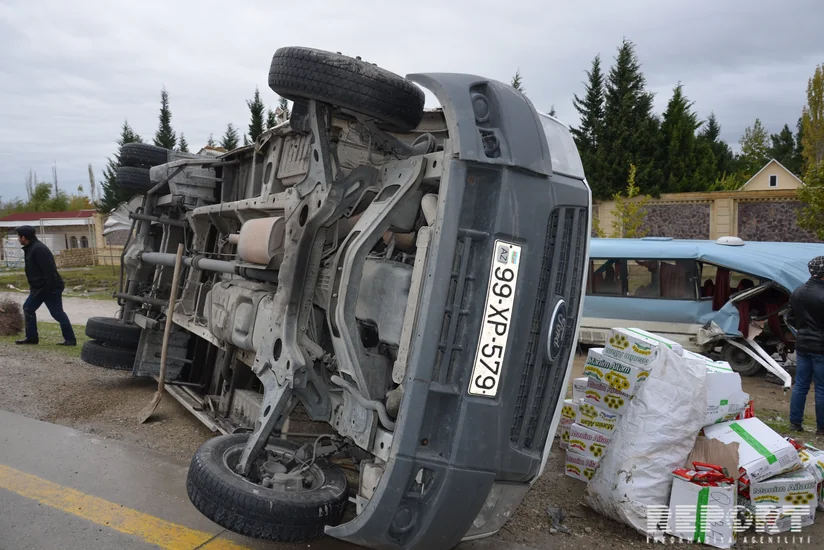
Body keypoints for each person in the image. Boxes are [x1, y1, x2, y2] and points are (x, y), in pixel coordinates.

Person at [13, 225, 76, 346]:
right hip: (39, 288)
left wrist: (50, 289)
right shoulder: (31, 248)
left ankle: (70, 339)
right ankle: (31, 338)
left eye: (18, 236)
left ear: (23, 237)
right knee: (28, 308)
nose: (18, 239)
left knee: (57, 313)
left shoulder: (38, 249)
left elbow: (50, 271)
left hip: (48, 288)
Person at [788, 255, 824, 434]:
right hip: (821, 347)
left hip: (802, 344)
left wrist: (803, 330)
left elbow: (790, 318)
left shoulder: (797, 291)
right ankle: (821, 428)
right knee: (822, 388)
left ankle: (795, 423)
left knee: (801, 385)